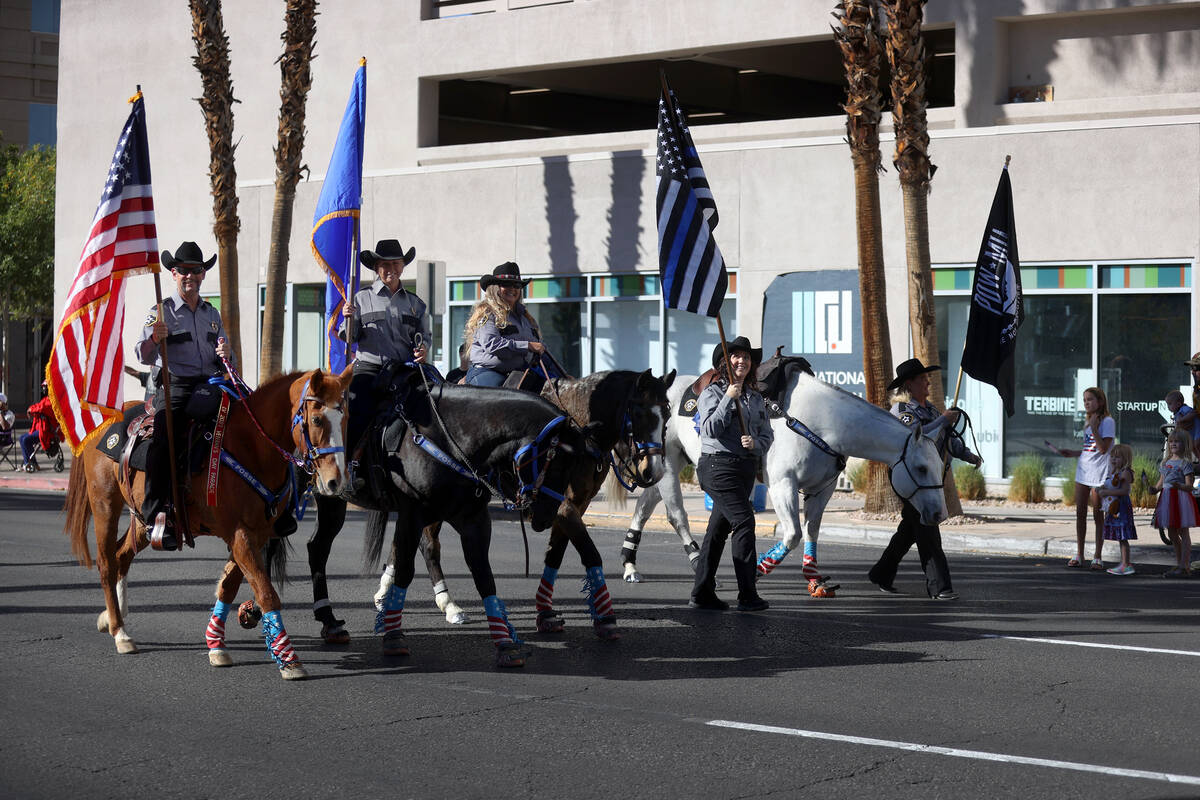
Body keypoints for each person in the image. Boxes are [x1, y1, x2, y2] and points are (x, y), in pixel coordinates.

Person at [136, 241, 233, 550]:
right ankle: (155, 510)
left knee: (243, 419)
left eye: (196, 270)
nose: (190, 276)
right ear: (173, 273)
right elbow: (142, 353)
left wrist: (225, 353)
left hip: (209, 382)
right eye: (184, 271)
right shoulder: (159, 311)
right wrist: (154, 337)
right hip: (174, 384)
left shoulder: (212, 313)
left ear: (203, 274)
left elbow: (225, 356)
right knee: (165, 436)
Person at [868, 358, 981, 601]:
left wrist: (968, 454)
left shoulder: (930, 409)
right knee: (927, 526)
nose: (928, 382)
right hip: (911, 478)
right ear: (909, 384)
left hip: (929, 477)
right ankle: (940, 587)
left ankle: (882, 573)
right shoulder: (902, 411)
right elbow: (916, 440)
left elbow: (947, 438)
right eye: (922, 379)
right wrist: (943, 420)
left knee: (910, 528)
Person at [688, 336, 774, 612]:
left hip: (744, 468)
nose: (742, 361)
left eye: (747, 358)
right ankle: (747, 594)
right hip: (717, 467)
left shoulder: (755, 398)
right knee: (745, 522)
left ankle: (701, 593)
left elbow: (767, 434)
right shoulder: (712, 393)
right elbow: (710, 429)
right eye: (736, 356)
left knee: (717, 531)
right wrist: (727, 399)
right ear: (725, 362)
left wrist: (756, 443)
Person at [341, 239, 429, 471]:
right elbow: (349, 338)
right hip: (370, 369)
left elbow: (424, 336)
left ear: (402, 266)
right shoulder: (359, 299)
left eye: (396, 264)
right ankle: (350, 467)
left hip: (403, 370)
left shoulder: (415, 304)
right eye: (385, 265)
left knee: (435, 401)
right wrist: (348, 317)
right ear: (377, 269)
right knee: (358, 413)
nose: (391, 269)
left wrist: (423, 350)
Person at [1052, 387, 1115, 570]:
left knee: (1097, 514)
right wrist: (1073, 453)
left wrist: (1095, 427)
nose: (1086, 403)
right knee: (1080, 512)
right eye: (1084, 400)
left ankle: (1097, 556)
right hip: (1083, 470)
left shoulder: (1107, 422)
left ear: (1100, 402)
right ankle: (1079, 553)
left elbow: (1103, 448)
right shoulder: (1088, 422)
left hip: (1099, 472)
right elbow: (1090, 449)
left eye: (1090, 400)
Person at [462, 262, 545, 387]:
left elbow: (540, 350)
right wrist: (527, 345)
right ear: (495, 288)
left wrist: (563, 375)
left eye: (516, 285)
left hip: (518, 373)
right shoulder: (487, 313)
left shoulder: (526, 319)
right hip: (488, 372)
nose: (512, 288)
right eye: (506, 284)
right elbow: (492, 344)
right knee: (499, 399)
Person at [1151, 428, 1196, 577]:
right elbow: (1161, 483)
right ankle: (1179, 564)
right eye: (1171, 441)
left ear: (1184, 444)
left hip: (1181, 498)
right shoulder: (1165, 463)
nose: (1173, 444)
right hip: (1167, 498)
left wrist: (1180, 486)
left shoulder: (1185, 463)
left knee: (1183, 530)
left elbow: (1190, 486)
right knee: (1171, 532)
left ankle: (1185, 565)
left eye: (1177, 441)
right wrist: (1154, 489)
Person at [1096, 443, 1136, 576]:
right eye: (1112, 456)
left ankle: (1126, 564)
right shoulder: (1115, 472)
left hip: (1121, 506)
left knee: (1123, 536)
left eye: (1117, 457)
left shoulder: (1125, 472)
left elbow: (1124, 490)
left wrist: (1107, 492)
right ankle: (1124, 563)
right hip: (1115, 506)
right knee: (1120, 537)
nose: (1113, 459)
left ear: (1125, 459)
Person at [20, 383, 54, 471]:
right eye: (42, 387)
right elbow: (37, 406)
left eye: (45, 387)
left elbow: (41, 408)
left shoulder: (53, 400)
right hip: (40, 429)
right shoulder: (45, 399)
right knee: (21, 438)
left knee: (26, 440)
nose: (43, 389)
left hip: (47, 432)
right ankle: (29, 462)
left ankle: (30, 463)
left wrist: (31, 409)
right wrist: (32, 408)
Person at [1165, 389, 1200, 453]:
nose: (1168, 407)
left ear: (1178, 404)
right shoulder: (1176, 414)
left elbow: (1194, 413)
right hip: (1192, 433)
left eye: (1170, 404)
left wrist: (1181, 420)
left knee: (1197, 444)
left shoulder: (1184, 409)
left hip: (1197, 430)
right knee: (1192, 447)